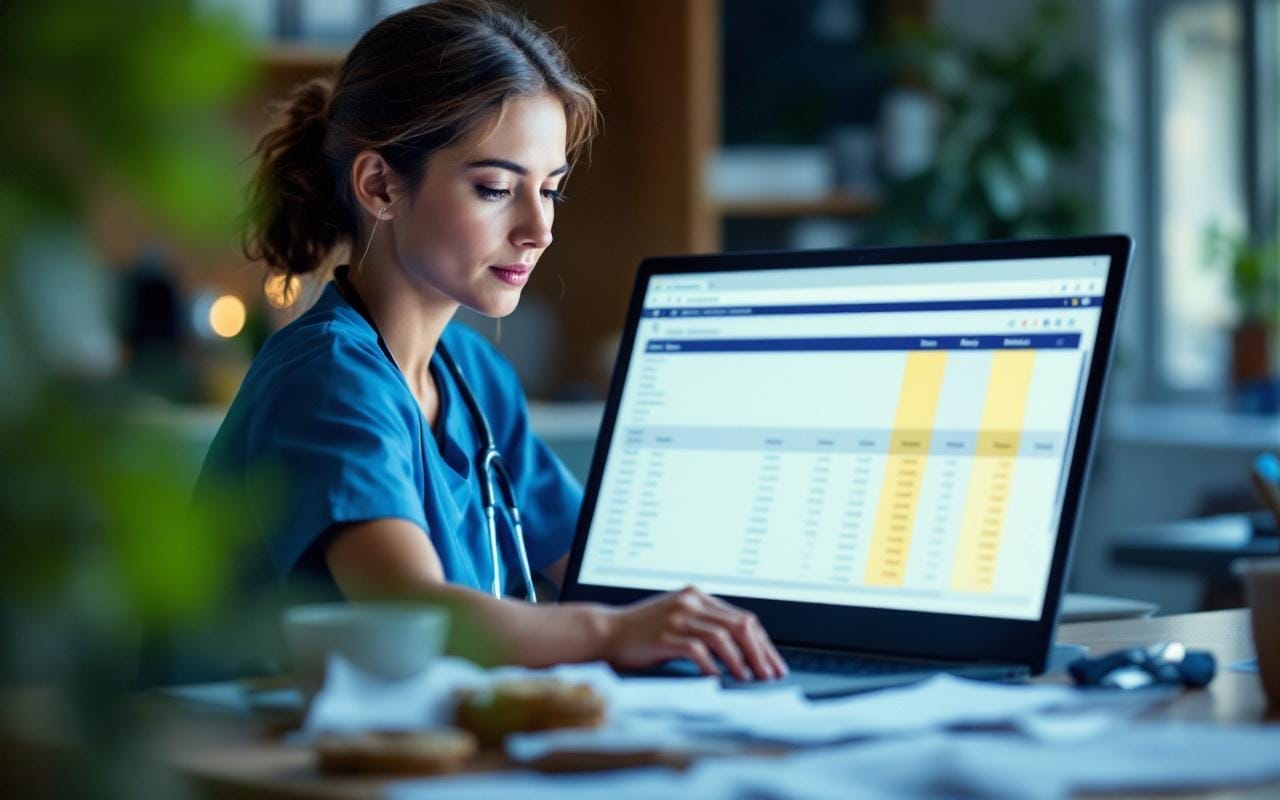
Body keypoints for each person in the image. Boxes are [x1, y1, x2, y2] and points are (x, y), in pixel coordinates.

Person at [196, 0, 786, 682]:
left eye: (552, 191)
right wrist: (612, 630)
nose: (540, 229)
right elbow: (413, 615)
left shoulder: (476, 377)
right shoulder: (328, 381)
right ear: (380, 185)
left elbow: (602, 578)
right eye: (497, 188)